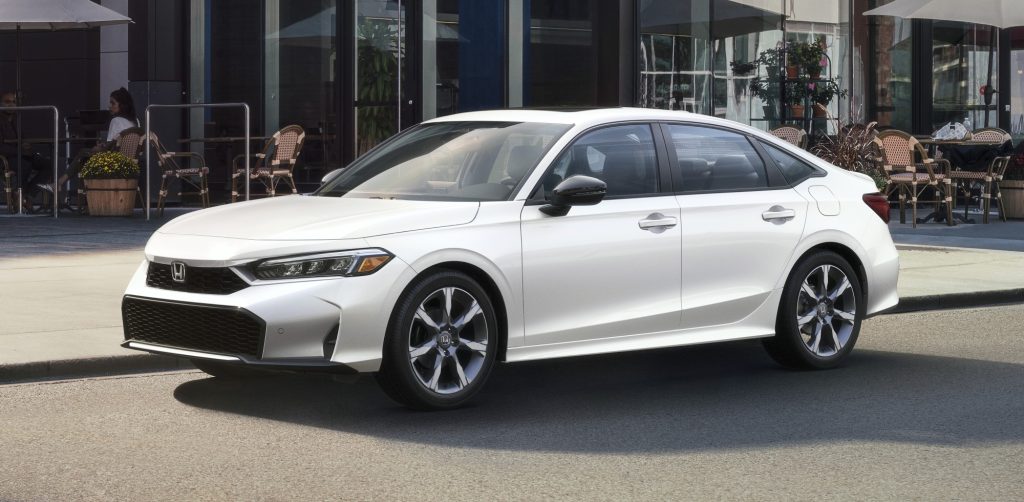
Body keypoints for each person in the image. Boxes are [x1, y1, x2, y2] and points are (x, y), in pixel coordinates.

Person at [41, 87, 140, 198]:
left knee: (83, 154)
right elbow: (117, 144)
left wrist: (98, 148)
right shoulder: (135, 122)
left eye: (113, 103)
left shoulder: (116, 121)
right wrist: (102, 146)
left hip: (115, 162)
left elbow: (108, 148)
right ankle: (63, 186)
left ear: (122, 105)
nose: (109, 106)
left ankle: (61, 185)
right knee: (85, 157)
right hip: (130, 163)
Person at [0, 91, 53, 212]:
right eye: (7, 102)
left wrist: (26, 145)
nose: (11, 105)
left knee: (48, 164)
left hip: (20, 154)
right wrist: (20, 150)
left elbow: (21, 139)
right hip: (6, 157)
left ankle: (28, 195)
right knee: (24, 164)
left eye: (13, 102)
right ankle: (19, 196)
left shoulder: (16, 120)